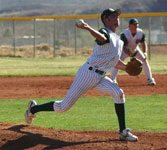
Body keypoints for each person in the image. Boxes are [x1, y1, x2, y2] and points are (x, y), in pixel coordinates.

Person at [25, 8, 138, 142]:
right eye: (114, 16)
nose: (117, 18)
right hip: (87, 74)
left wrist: (126, 68)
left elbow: (113, 61)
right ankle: (33, 108)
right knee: (63, 107)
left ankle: (123, 132)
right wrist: (88, 28)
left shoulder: (118, 40)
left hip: (100, 77)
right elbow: (101, 38)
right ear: (106, 19)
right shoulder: (104, 32)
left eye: (117, 15)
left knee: (119, 93)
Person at [111, 18, 156, 85]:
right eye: (134, 25)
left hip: (135, 50)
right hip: (124, 50)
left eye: (136, 25)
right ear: (129, 26)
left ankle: (150, 79)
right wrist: (129, 53)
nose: (135, 26)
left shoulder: (140, 32)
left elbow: (143, 43)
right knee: (117, 62)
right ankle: (113, 79)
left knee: (144, 60)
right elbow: (124, 46)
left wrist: (145, 52)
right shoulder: (125, 34)